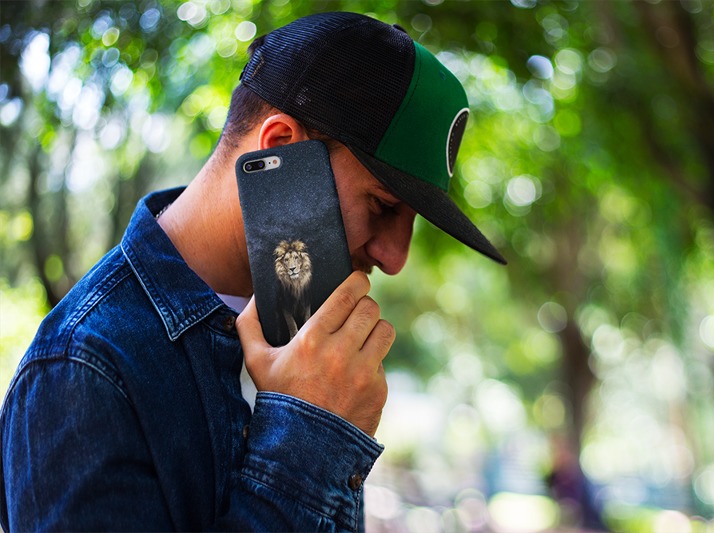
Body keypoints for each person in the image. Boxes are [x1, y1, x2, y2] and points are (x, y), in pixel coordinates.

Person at [0, 11, 505, 531]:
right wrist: (310, 432)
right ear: (281, 148)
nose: (395, 258)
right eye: (382, 205)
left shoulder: (306, 336)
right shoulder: (82, 369)